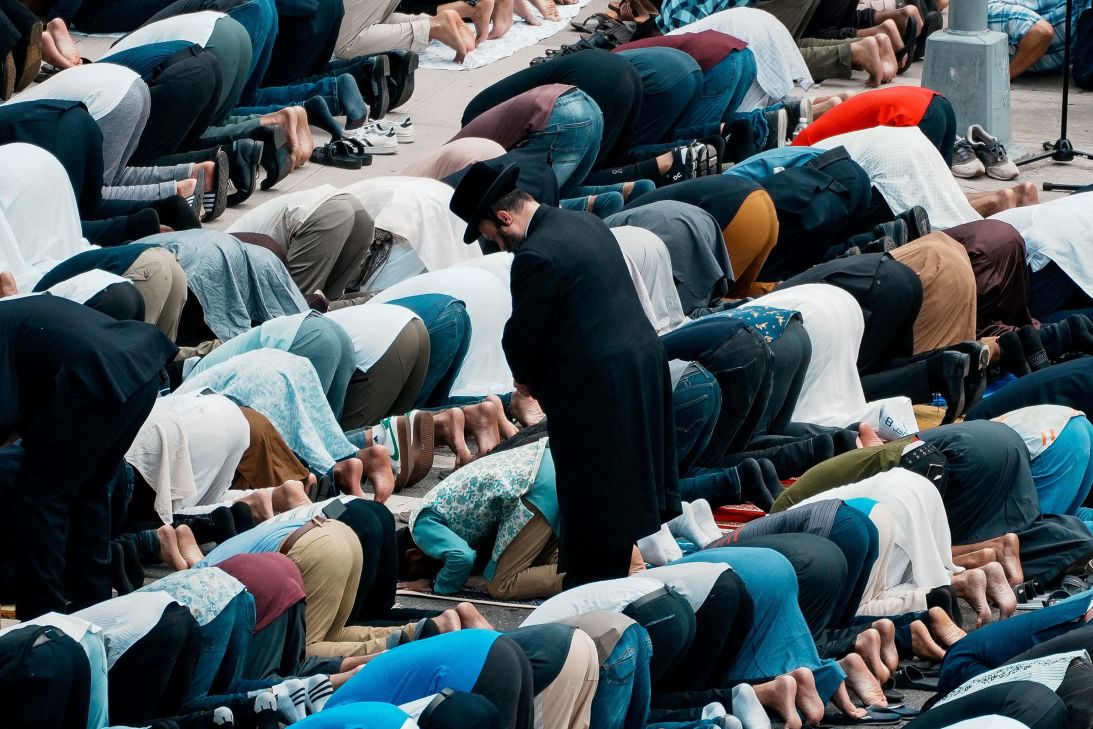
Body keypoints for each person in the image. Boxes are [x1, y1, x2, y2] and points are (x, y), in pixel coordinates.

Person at [450, 162, 680, 587]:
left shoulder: (536, 256)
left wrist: (526, 381)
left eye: (492, 235)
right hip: (640, 367)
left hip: (597, 388)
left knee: (594, 504)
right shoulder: (586, 224)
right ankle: (611, 576)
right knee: (624, 497)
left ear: (504, 217)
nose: (498, 245)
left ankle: (595, 589)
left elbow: (525, 337)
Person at [0, 296, 177, 619]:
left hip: (96, 377)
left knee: (38, 499)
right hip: (140, 369)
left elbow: (5, 411)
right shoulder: (16, 313)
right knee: (89, 492)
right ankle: (94, 607)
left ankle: (43, 619)